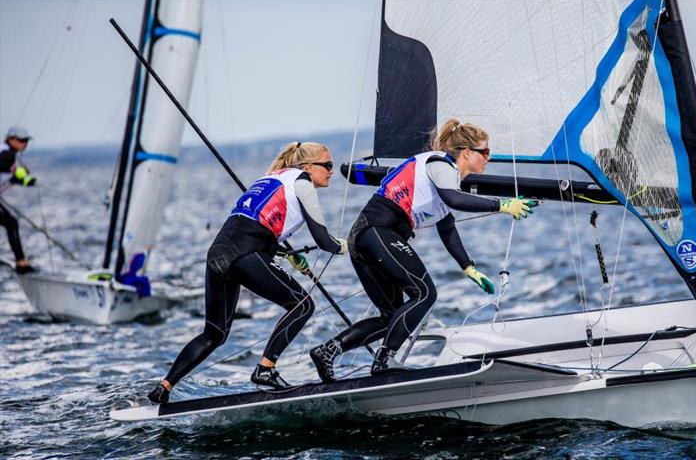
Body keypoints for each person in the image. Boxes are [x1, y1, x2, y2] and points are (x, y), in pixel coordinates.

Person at [308, 119, 536, 382]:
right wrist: (502, 205)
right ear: (466, 153)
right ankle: (384, 360)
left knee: (390, 317)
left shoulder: (445, 178)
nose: (489, 158)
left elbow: (447, 227)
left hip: (368, 236)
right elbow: (454, 199)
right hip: (378, 231)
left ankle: (328, 351)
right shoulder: (440, 165)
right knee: (425, 293)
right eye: (485, 152)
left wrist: (468, 267)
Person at [146, 142, 348, 404]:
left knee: (214, 334)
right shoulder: (302, 182)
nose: (331, 171)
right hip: (245, 254)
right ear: (308, 167)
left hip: (219, 254)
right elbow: (324, 241)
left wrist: (287, 254)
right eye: (328, 165)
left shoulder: (270, 178)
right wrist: (351, 244)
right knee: (302, 305)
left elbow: (255, 224)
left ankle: (164, 387)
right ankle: (265, 369)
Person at [0, 126, 37, 274]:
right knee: (11, 223)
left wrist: (26, 181)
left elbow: (7, 176)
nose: (24, 144)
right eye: (21, 140)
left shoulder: (7, 153)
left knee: (11, 222)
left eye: (26, 141)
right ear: (11, 139)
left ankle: (21, 262)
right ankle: (21, 263)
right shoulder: (7, 154)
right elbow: (2, 166)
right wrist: (14, 171)